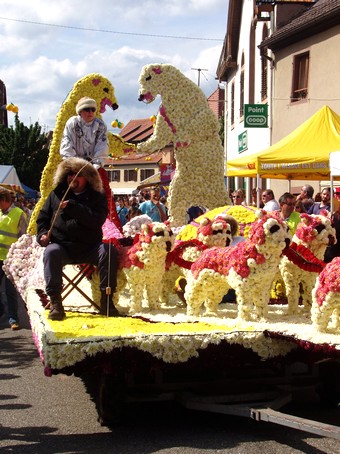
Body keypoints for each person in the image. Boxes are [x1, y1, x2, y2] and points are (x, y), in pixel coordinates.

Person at [36, 157, 119, 320]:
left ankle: (107, 300)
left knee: (108, 251)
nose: (71, 178)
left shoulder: (96, 196)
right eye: (69, 174)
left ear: (86, 178)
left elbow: (97, 221)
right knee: (51, 252)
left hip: (90, 247)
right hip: (63, 247)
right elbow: (42, 219)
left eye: (76, 174)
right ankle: (56, 303)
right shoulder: (56, 194)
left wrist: (74, 208)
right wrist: (42, 235)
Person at [0, 187, 28, 330]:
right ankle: (1, 310)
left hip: (11, 260)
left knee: (10, 291)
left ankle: (13, 319)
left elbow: (24, 237)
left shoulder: (19, 214)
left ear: (4, 200)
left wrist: (20, 257)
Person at [60, 97, 108, 167]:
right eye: (87, 109)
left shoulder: (100, 125)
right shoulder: (72, 123)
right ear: (80, 112)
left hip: (94, 164)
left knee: (102, 177)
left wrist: (96, 165)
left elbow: (102, 146)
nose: (90, 112)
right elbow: (67, 144)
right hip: (73, 163)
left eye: (93, 109)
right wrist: (74, 164)